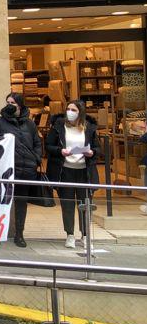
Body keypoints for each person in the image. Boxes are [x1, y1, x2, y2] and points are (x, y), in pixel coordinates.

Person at [0, 93, 42, 248]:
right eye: (7, 102)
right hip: (6, 169)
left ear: (20, 104)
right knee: (0, 201)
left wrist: (36, 159)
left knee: (21, 203)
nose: (9, 105)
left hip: (26, 169)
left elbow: (37, 143)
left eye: (12, 102)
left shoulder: (30, 124)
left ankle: (19, 234)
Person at [46, 100, 101, 249]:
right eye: (68, 109)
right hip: (65, 170)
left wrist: (92, 152)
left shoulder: (89, 128)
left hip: (84, 171)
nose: (70, 112)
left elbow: (98, 148)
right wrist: (60, 151)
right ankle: (70, 234)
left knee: (85, 204)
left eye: (74, 110)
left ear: (80, 112)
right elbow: (49, 145)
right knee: (67, 204)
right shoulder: (58, 126)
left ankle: (85, 235)